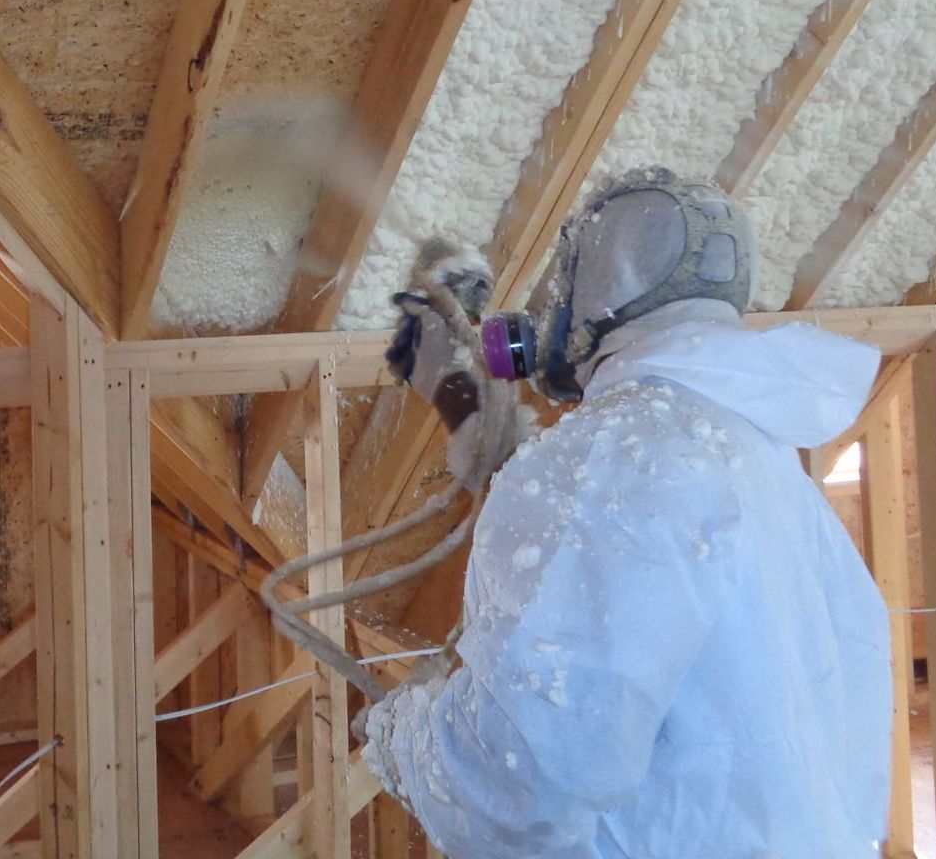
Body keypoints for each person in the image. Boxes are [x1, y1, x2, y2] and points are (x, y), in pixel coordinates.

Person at [361, 169, 892, 858]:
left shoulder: (610, 457)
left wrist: (405, 744)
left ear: (588, 295)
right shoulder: (750, 446)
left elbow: (527, 781)